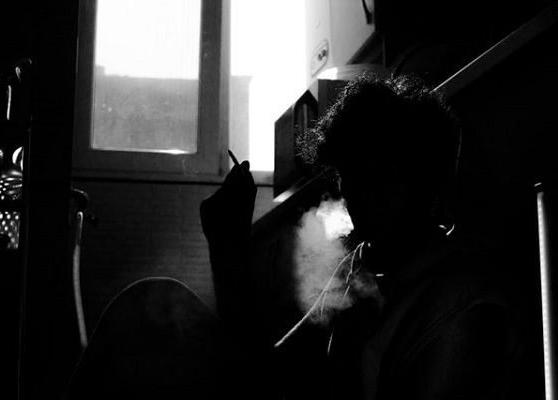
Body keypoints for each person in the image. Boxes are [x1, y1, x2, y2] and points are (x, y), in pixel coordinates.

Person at [201, 73, 538, 399]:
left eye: (382, 177)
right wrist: (226, 250)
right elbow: (274, 374)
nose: (361, 201)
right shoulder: (362, 269)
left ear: (431, 187)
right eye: (351, 178)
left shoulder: (462, 316)